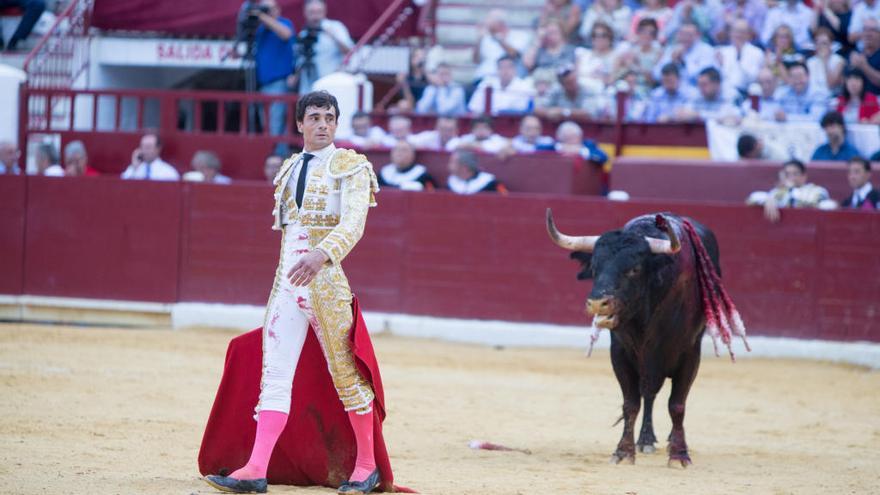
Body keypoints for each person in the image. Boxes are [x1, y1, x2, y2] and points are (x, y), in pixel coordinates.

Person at [202, 91, 389, 494]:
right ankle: (255, 468)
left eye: (330, 117)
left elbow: (354, 222)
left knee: (346, 374)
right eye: (316, 117)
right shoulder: (288, 169)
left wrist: (321, 254)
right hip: (286, 285)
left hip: (326, 284)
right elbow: (290, 234)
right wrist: (294, 269)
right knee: (275, 374)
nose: (323, 124)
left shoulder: (351, 166)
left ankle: (367, 467)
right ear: (300, 124)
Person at [246, 0, 295, 136]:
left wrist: (262, 15)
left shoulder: (284, 22)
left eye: (269, 9)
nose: (266, 11)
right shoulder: (260, 29)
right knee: (266, 123)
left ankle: (277, 155)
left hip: (278, 81)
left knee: (276, 123)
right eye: (264, 9)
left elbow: (286, 34)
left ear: (277, 10)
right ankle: (273, 153)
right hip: (263, 83)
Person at [296, 0, 354, 95]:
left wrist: (333, 36)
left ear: (324, 11)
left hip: (330, 86)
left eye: (319, 12)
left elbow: (349, 51)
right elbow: (300, 60)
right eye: (312, 12)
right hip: (308, 87)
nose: (315, 16)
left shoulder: (335, 27)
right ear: (305, 13)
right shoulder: (303, 34)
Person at [747, 159, 831, 222]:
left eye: (795, 174)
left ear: (804, 176)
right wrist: (767, 200)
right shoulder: (778, 193)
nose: (791, 177)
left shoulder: (817, 191)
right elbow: (752, 198)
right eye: (787, 174)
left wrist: (791, 189)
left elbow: (823, 206)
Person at [472, 10, 532, 83]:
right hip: (483, 78)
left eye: (489, 21)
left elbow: (515, 55)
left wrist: (498, 39)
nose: (486, 24)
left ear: (500, 23)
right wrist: (479, 40)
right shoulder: (485, 38)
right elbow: (476, 61)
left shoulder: (519, 36)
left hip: (508, 80)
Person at [653, 21, 716, 86]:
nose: (685, 37)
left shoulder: (707, 50)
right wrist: (671, 61)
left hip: (695, 90)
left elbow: (703, 76)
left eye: (689, 34)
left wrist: (683, 62)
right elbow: (656, 74)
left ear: (698, 35)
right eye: (682, 34)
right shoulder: (671, 50)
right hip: (671, 90)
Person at [468, 56, 535, 115]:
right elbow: (474, 108)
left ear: (515, 70)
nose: (505, 71)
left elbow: (523, 111)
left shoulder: (524, 87)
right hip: (488, 122)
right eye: (502, 67)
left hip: (513, 123)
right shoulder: (486, 83)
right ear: (497, 70)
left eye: (509, 67)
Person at [716, 19, 765, 97]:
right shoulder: (722, 51)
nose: (738, 35)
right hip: (724, 93)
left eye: (742, 32)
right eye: (735, 31)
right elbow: (719, 77)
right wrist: (719, 65)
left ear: (748, 35)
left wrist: (739, 57)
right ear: (730, 33)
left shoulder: (757, 53)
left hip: (747, 93)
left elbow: (753, 78)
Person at [535, 64, 603, 119]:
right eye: (568, 83)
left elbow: (589, 113)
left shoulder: (588, 90)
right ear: (562, 84)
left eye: (574, 80)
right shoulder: (556, 90)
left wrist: (564, 112)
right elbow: (537, 109)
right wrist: (549, 112)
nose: (573, 84)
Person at [807, 28, 845, 94]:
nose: (820, 46)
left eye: (824, 43)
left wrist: (825, 61)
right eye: (818, 43)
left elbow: (831, 85)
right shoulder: (810, 62)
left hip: (831, 97)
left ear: (830, 44)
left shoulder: (839, 60)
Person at [445, 116, 510, 153]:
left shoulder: (497, 140)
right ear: (472, 130)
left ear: (491, 130)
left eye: (485, 127)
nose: (481, 130)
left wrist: (474, 146)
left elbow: (504, 147)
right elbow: (449, 146)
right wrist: (461, 146)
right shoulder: (467, 138)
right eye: (477, 127)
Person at [849, 17, 880, 95]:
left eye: (872, 30)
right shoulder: (856, 54)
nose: (868, 34)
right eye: (865, 30)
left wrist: (864, 67)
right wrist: (852, 68)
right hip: (859, 102)